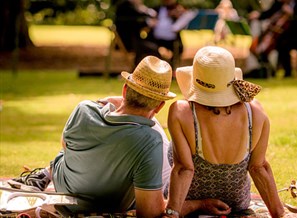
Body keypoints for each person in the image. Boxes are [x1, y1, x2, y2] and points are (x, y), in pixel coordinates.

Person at [8, 56, 176, 217]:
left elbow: (65, 148)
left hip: (65, 194)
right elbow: (150, 212)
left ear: (124, 90)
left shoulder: (83, 109)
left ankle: (44, 174)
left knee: (72, 147)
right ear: (160, 106)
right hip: (108, 204)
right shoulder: (150, 140)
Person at [164, 46, 287, 217]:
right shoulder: (256, 112)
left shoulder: (181, 112)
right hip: (236, 202)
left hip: (189, 198)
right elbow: (259, 167)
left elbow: (184, 168)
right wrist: (278, 213)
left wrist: (172, 213)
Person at [248, 0, 297, 78]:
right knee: (274, 45)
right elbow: (269, 13)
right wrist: (258, 15)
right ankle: (269, 70)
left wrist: (292, 15)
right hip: (282, 36)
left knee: (283, 45)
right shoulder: (279, 4)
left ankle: (287, 72)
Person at [148, 0, 196, 68]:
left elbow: (181, 23)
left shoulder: (179, 8)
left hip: (171, 39)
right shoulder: (157, 9)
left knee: (179, 49)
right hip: (156, 38)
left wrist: (177, 16)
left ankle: (171, 67)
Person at [115, 0, 161, 67]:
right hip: (127, 41)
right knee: (152, 49)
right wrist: (148, 22)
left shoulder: (131, 6)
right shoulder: (125, 6)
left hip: (133, 40)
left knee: (149, 46)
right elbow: (132, 23)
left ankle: (137, 70)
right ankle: (139, 71)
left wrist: (147, 11)